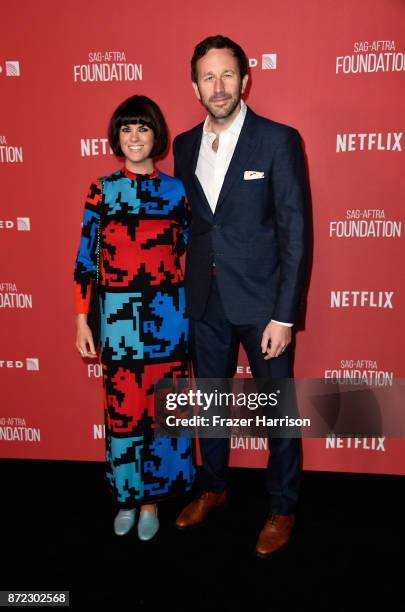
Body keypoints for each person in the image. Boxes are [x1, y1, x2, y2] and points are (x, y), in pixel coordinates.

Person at [173, 35, 309, 557]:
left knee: (277, 411)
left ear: (245, 79)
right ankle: (213, 489)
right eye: (208, 77)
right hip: (204, 302)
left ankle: (282, 505)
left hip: (263, 307)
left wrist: (285, 315)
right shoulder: (184, 145)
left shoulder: (278, 140)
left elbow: (296, 233)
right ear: (194, 86)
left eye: (228, 75)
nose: (219, 86)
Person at [74, 95, 195, 539]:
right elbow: (86, 260)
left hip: (169, 323)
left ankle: (151, 504)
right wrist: (82, 318)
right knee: (124, 415)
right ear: (116, 136)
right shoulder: (101, 190)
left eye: (143, 128)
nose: (135, 137)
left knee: (162, 414)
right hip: (120, 324)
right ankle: (127, 496)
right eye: (126, 128)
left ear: (156, 135)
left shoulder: (177, 191)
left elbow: (191, 257)